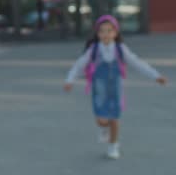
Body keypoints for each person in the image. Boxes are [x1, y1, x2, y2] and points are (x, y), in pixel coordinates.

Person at [63, 15, 167, 159]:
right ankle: (103, 128)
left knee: (114, 118)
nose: (106, 34)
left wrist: (155, 76)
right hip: (99, 91)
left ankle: (113, 145)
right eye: (102, 31)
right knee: (102, 120)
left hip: (116, 90)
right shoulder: (93, 50)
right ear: (97, 33)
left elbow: (137, 63)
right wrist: (70, 80)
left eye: (109, 31)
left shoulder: (120, 49)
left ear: (116, 32)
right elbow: (79, 65)